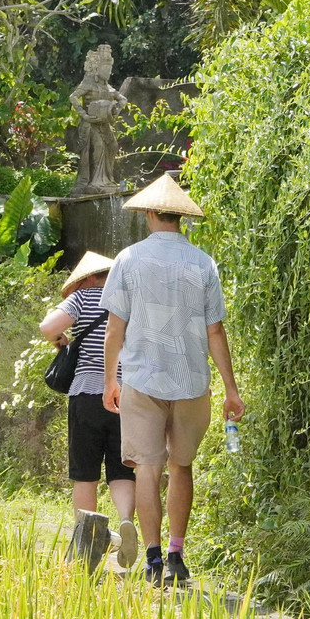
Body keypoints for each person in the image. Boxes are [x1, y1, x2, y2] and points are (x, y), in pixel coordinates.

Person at [100, 174, 246, 585]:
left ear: (149, 213)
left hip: (143, 380)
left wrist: (111, 380)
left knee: (146, 468)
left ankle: (151, 559)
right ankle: (177, 555)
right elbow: (215, 331)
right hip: (191, 381)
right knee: (182, 466)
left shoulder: (128, 259)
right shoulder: (203, 263)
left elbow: (115, 328)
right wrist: (231, 389)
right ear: (180, 217)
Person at [39, 251, 138, 568]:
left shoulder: (83, 298)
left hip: (86, 396)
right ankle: (125, 520)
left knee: (85, 474)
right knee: (122, 469)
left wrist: (61, 338)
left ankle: (88, 541)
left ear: (88, 278)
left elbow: (47, 327)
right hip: (124, 397)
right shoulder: (128, 300)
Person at [68, 45, 126, 197]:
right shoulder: (88, 82)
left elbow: (121, 98)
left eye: (110, 68)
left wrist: (117, 107)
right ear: (97, 68)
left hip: (104, 123)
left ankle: (107, 180)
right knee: (99, 147)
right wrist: (83, 114)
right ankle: (95, 182)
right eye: (105, 68)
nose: (108, 71)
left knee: (113, 146)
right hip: (90, 123)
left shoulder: (107, 87)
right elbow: (73, 97)